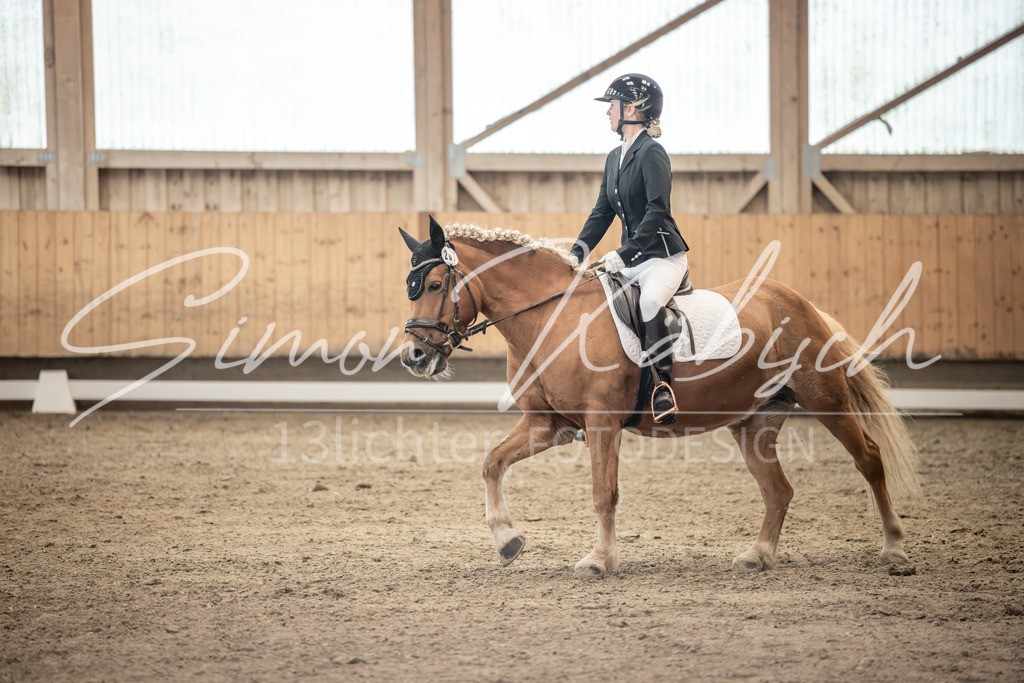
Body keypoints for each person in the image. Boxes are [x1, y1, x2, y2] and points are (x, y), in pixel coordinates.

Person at [569, 73, 689, 425]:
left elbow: (657, 209)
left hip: (662, 257)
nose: (608, 112)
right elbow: (601, 213)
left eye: (613, 105)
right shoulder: (614, 157)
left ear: (632, 109)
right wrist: (576, 254)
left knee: (650, 302)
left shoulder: (652, 153)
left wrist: (625, 253)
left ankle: (662, 387)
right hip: (633, 259)